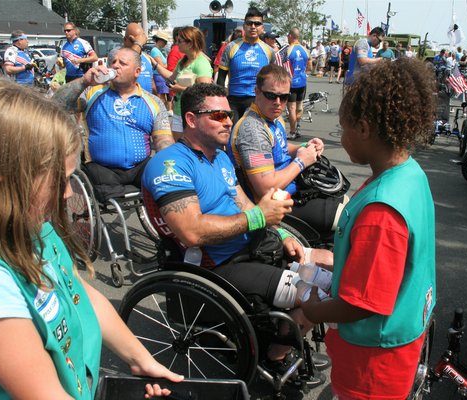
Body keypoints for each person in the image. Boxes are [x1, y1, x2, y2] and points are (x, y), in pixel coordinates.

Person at [0, 76, 183, 399]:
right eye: (59, 180)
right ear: (5, 178)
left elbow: (81, 294)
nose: (69, 193)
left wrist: (142, 360)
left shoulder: (33, 227)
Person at [142, 82, 331, 375]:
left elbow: (245, 205)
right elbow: (191, 232)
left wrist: (280, 234)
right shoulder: (169, 165)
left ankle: (281, 332)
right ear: (191, 120)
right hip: (218, 265)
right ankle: (275, 354)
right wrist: (259, 218)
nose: (229, 121)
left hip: (252, 248)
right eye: (217, 115)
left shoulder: (221, 158)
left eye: (228, 114)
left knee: (331, 265)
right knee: (318, 296)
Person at [301, 58, 436, 400]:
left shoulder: (381, 208)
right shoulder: (409, 172)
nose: (340, 136)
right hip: (402, 332)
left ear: (363, 129)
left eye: (344, 127)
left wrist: (314, 310)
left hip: (373, 363)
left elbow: (363, 304)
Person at [228, 64, 346, 239]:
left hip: (293, 187)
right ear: (257, 92)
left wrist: (304, 147)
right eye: (271, 95)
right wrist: (301, 161)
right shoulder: (253, 129)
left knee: (348, 200)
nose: (278, 103)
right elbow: (265, 187)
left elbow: (280, 148)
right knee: (347, 219)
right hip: (274, 201)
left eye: (284, 97)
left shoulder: (271, 117)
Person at [54, 48, 174, 203]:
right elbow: (57, 104)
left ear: (137, 71)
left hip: (139, 167)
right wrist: (84, 81)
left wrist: (170, 166)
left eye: (122, 63)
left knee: (166, 186)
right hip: (102, 168)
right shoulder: (93, 92)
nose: (115, 66)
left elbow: (164, 140)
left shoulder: (153, 102)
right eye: (113, 62)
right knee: (107, 194)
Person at [150, 26, 213, 139]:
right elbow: (171, 76)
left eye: (179, 41)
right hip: (179, 110)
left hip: (194, 113)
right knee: (179, 145)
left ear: (190, 43)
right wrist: (155, 65)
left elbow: (205, 90)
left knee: (191, 146)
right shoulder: (183, 61)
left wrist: (180, 89)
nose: (176, 44)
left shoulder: (201, 63)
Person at [217, 7, 276, 123]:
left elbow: (272, 79)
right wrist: (221, 100)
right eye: (249, 23)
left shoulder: (269, 51)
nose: (253, 26)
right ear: (244, 26)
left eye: (257, 24)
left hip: (257, 101)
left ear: (262, 28)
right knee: (232, 135)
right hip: (233, 100)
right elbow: (221, 77)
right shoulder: (231, 47)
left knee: (253, 136)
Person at [284, 28, 310, 139]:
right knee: (299, 106)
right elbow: (310, 67)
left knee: (291, 108)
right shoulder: (305, 50)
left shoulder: (288, 50)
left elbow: (283, 67)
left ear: (290, 36)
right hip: (302, 82)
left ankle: (293, 131)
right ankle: (297, 128)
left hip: (291, 83)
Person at [123, 23, 155, 94]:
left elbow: (152, 83)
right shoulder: (116, 56)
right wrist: (138, 43)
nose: (137, 44)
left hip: (146, 101)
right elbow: (128, 60)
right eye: (133, 41)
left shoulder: (147, 58)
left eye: (140, 41)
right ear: (125, 40)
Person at [150, 32, 170, 108]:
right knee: (161, 97)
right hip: (159, 76)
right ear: (160, 40)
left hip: (160, 76)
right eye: (165, 42)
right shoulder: (155, 50)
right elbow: (160, 66)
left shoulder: (158, 50)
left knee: (162, 97)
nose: (165, 44)